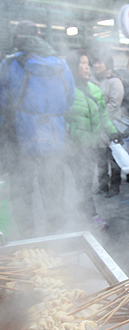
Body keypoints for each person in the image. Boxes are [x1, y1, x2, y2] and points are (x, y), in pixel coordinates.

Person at [0, 20, 75, 239]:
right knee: (52, 186)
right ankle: (56, 237)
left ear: (17, 39)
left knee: (22, 191)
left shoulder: (8, 64)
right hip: (54, 136)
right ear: (39, 37)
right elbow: (68, 102)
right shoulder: (62, 64)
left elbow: (2, 103)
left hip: (20, 138)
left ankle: (27, 239)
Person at [65, 49, 119, 230]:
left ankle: (83, 214)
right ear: (72, 66)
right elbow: (59, 118)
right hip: (73, 147)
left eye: (88, 64)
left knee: (85, 182)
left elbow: (103, 116)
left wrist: (113, 133)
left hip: (91, 146)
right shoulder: (65, 90)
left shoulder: (95, 90)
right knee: (82, 183)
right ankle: (90, 216)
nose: (87, 68)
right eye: (82, 64)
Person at [90, 51, 124, 198]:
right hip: (97, 127)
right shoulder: (91, 80)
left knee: (114, 158)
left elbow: (114, 104)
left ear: (107, 64)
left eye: (100, 62)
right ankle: (102, 185)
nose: (96, 65)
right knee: (101, 159)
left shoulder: (114, 81)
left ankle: (115, 186)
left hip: (112, 125)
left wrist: (99, 115)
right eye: (95, 62)